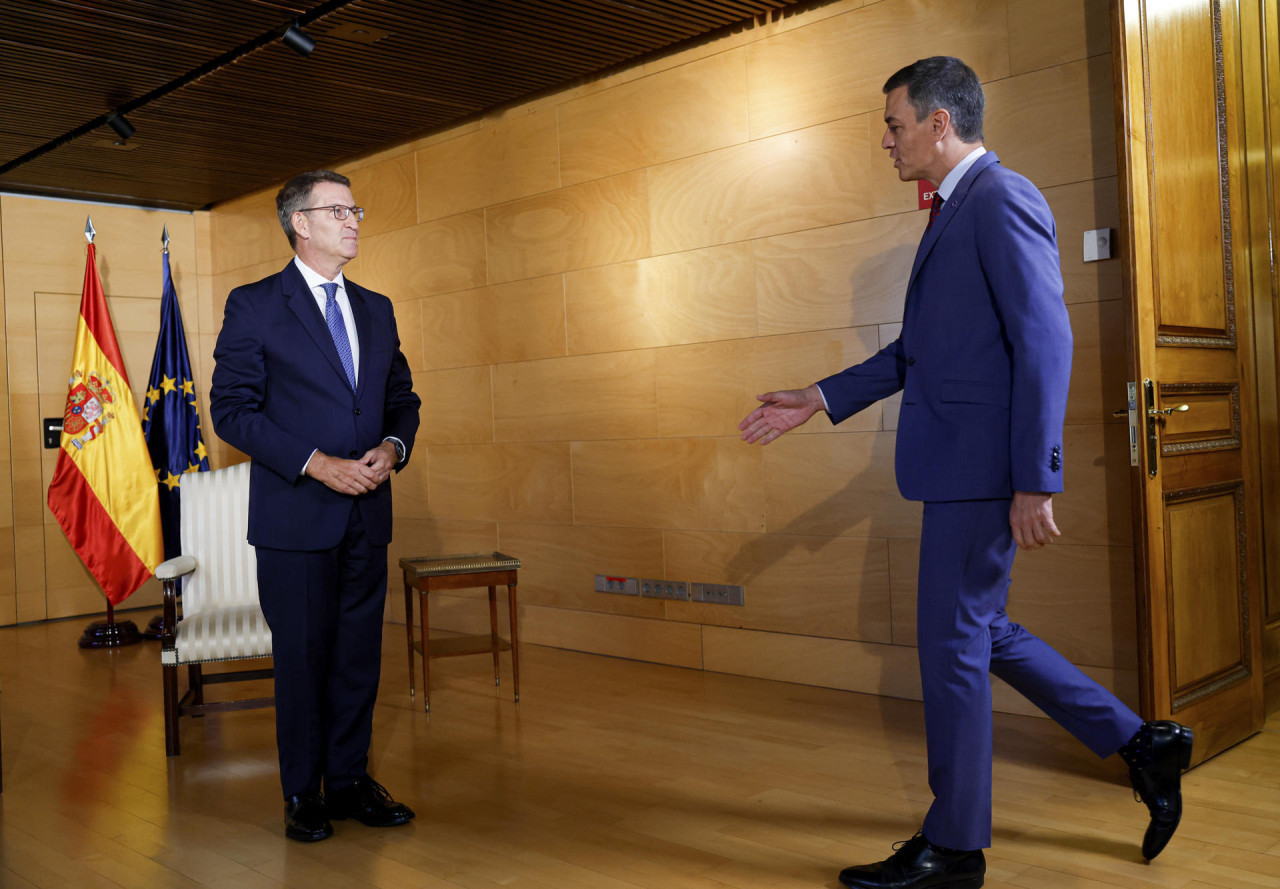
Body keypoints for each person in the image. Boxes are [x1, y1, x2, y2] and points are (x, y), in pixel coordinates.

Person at [739, 57, 1192, 889]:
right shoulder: (951, 213)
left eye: (894, 123)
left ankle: (955, 846)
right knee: (979, 632)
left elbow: (1045, 340)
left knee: (952, 645)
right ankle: (1142, 743)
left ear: (940, 123)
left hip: (982, 474)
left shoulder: (1001, 198)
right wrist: (819, 396)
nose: (887, 139)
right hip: (959, 470)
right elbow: (917, 352)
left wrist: (1036, 475)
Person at [211, 170, 421, 843]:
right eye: (337, 210)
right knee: (302, 657)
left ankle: (350, 780)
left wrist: (392, 447)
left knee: (358, 655)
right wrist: (316, 463)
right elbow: (231, 411)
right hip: (296, 515)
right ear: (299, 223)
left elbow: (402, 401)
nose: (354, 219)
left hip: (368, 512)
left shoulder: (378, 307)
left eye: (355, 208)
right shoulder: (254, 305)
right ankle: (303, 791)